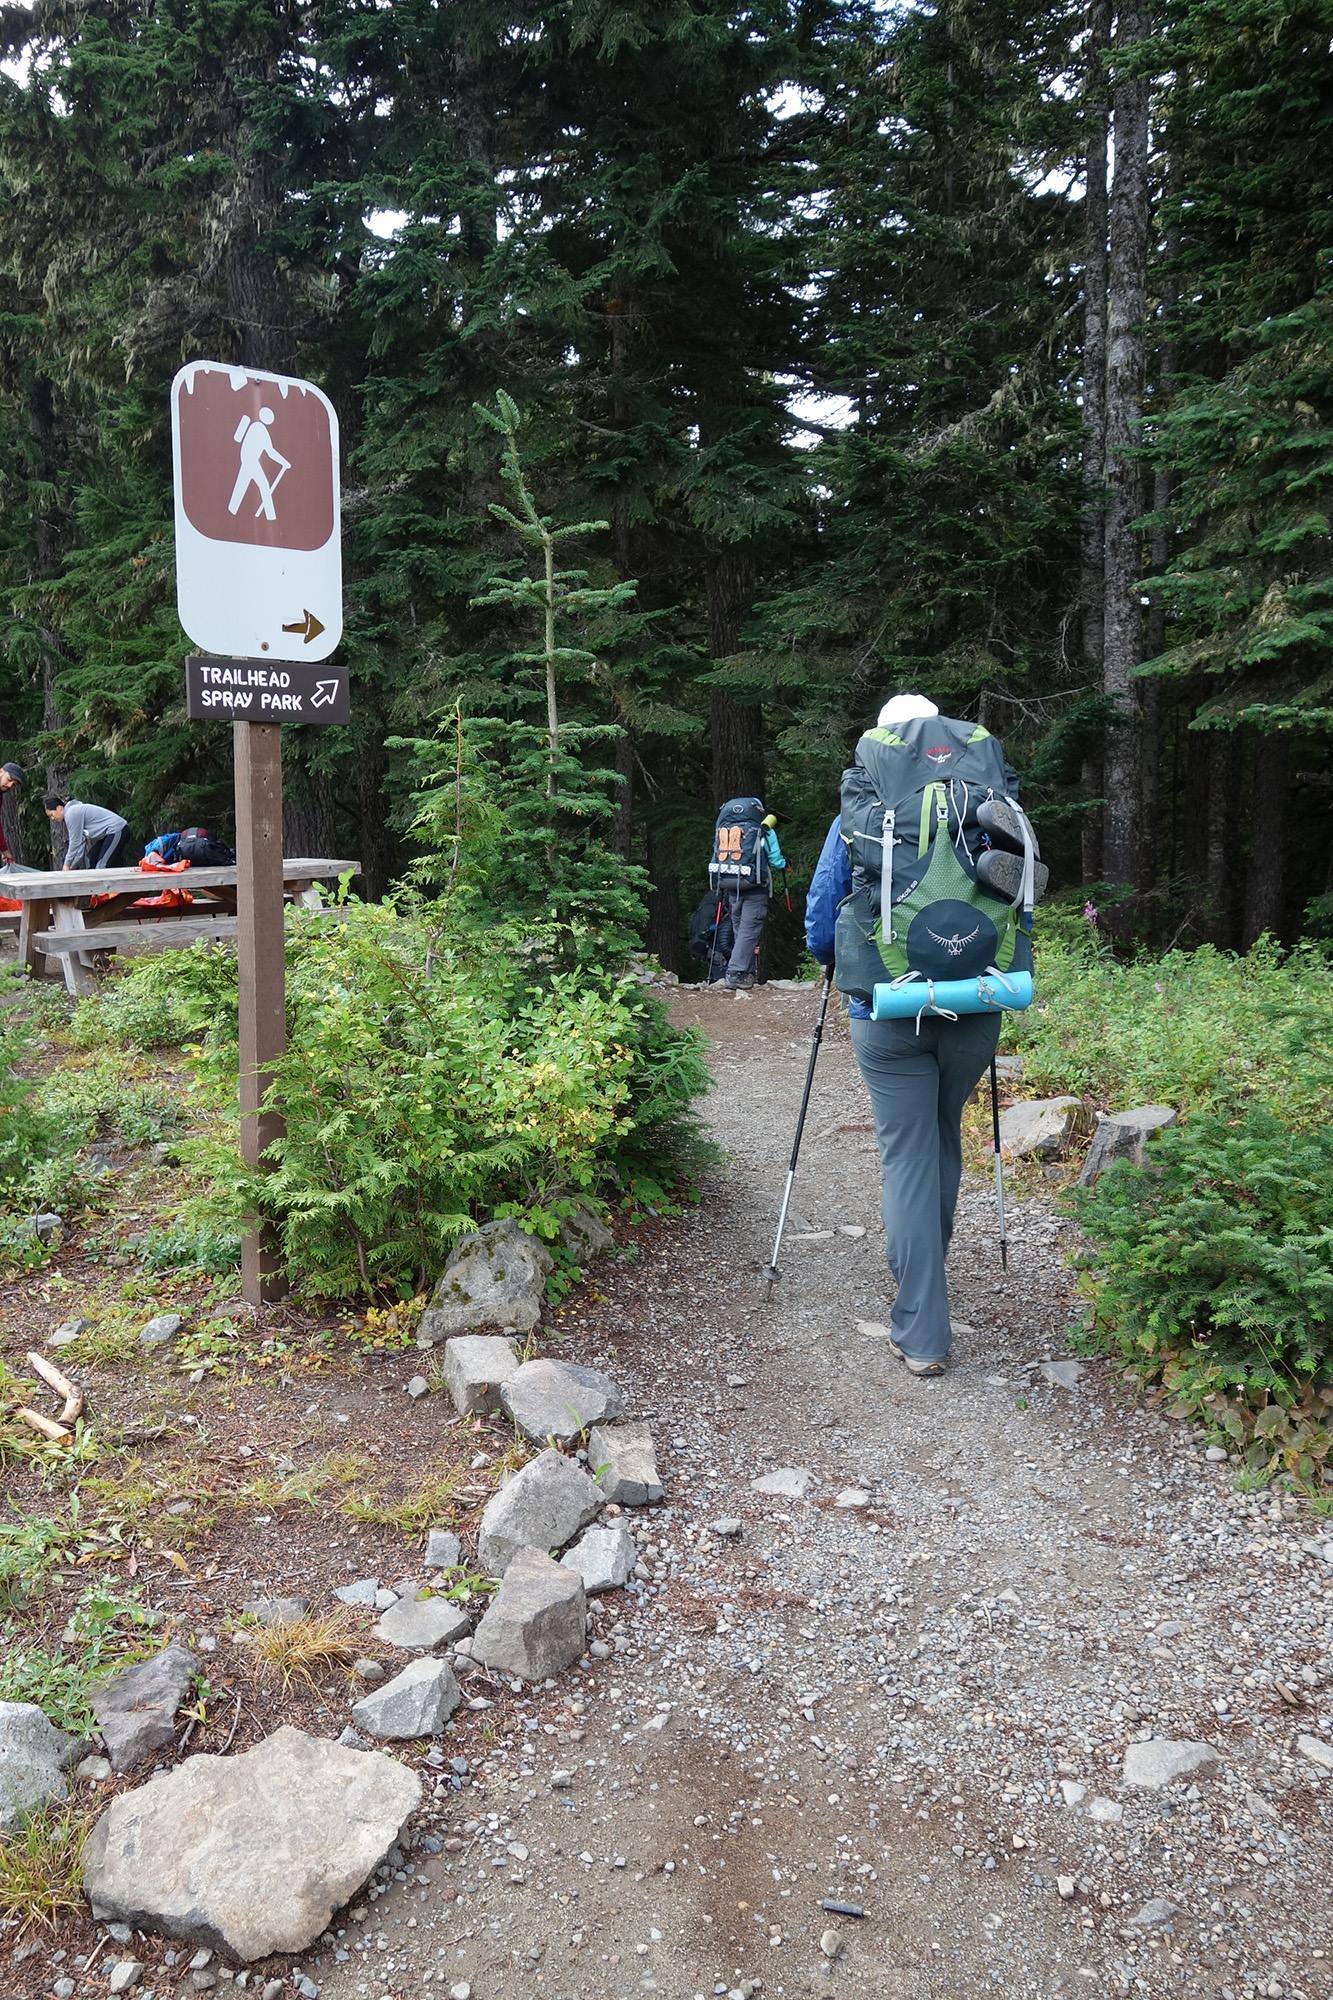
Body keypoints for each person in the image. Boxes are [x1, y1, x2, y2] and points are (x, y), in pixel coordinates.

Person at [804, 694, 1028, 1379]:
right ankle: (922, 1276)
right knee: (940, 1139)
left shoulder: (866, 811)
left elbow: (823, 907)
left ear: (882, 744)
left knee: (906, 1156)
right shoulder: (984, 801)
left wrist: (829, 959)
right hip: (977, 997)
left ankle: (922, 1325)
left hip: (888, 1006)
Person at [43, 795, 128, 871]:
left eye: (51, 815)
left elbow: (75, 842)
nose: (52, 819)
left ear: (59, 808)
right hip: (109, 833)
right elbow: (80, 845)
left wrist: (66, 865)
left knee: (101, 867)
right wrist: (71, 867)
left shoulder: (71, 813)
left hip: (117, 829)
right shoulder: (72, 813)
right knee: (91, 859)